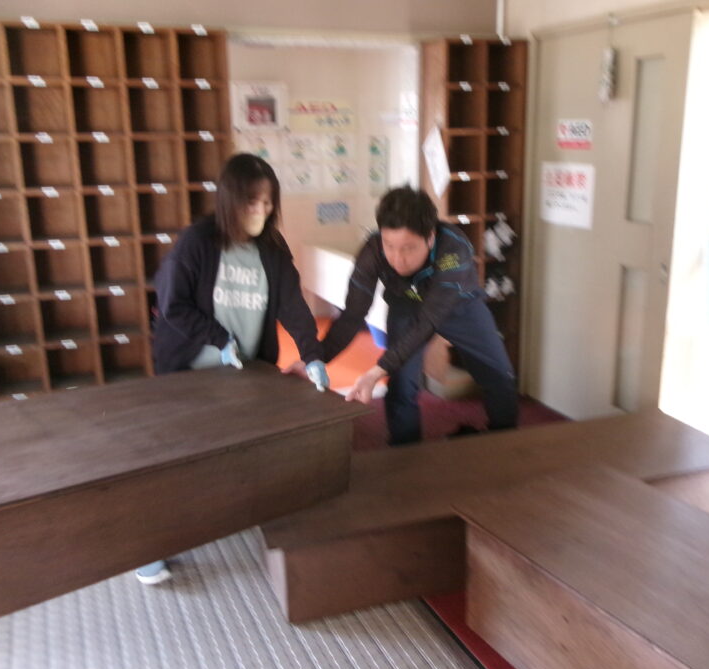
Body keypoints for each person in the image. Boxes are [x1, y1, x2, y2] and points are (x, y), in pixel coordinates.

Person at [138, 153, 329, 584]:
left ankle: (232, 514)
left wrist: (312, 354)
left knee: (244, 450)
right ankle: (149, 548)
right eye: (251, 202)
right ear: (230, 201)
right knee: (177, 461)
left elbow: (292, 305)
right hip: (191, 370)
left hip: (244, 372)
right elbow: (172, 305)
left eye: (267, 202)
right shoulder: (198, 242)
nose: (261, 211)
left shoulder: (272, 248)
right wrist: (220, 339)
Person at [316, 185, 517, 445]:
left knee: (500, 375)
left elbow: (429, 320)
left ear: (430, 238)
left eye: (409, 248)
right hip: (406, 305)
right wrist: (316, 359)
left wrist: (376, 370)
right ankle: (406, 452)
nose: (397, 259)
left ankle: (504, 442)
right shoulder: (373, 250)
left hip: (459, 306)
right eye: (390, 246)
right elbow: (353, 313)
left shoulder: (453, 251)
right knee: (400, 384)